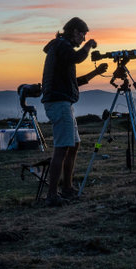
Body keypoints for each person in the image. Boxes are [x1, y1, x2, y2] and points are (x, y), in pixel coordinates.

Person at [40, 17, 107, 207]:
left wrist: (96, 73)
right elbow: (77, 58)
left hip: (64, 103)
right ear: (75, 31)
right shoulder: (61, 46)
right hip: (59, 103)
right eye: (83, 35)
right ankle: (52, 195)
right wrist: (89, 47)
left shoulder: (61, 51)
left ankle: (67, 188)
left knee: (74, 145)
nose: (84, 39)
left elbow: (73, 82)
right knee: (62, 148)